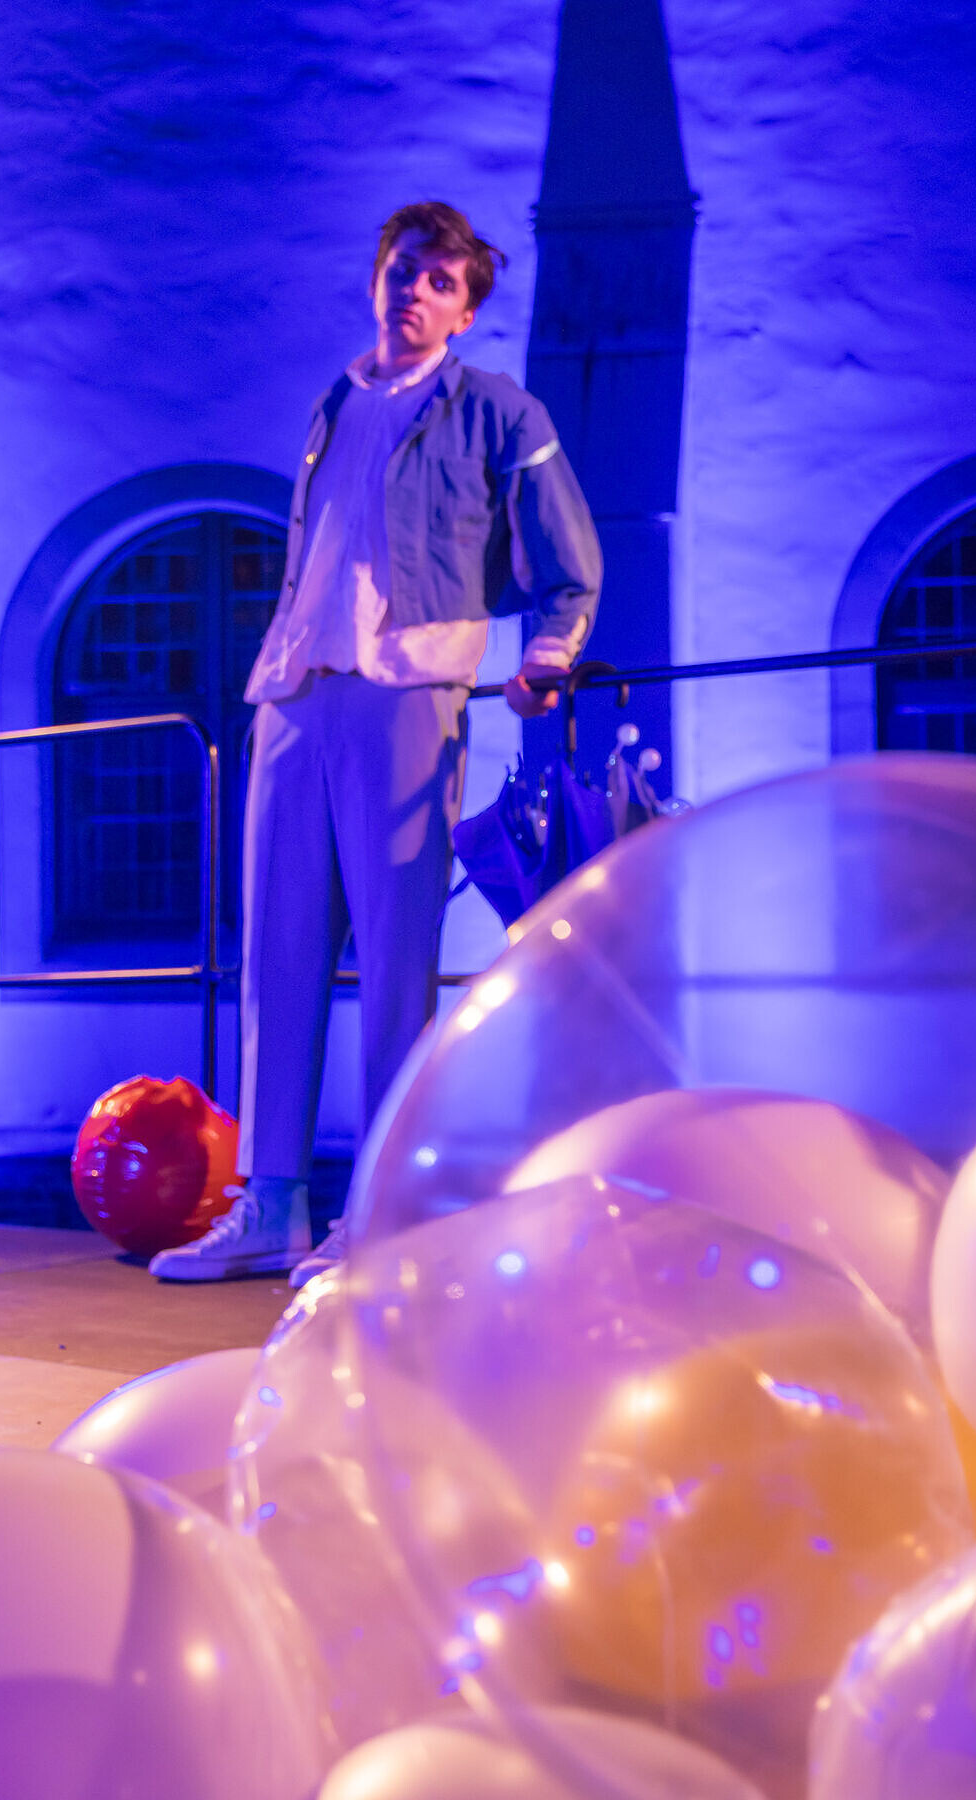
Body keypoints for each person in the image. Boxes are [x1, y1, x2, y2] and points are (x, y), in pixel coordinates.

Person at [152, 201, 602, 1285]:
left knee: (397, 961)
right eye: (404, 270)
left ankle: (383, 1214)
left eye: (442, 281)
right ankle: (270, 1203)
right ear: (375, 279)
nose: (416, 291)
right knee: (276, 954)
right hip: (295, 693)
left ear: (464, 312)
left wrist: (547, 656)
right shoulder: (334, 403)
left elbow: (568, 566)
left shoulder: (500, 412)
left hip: (407, 688)